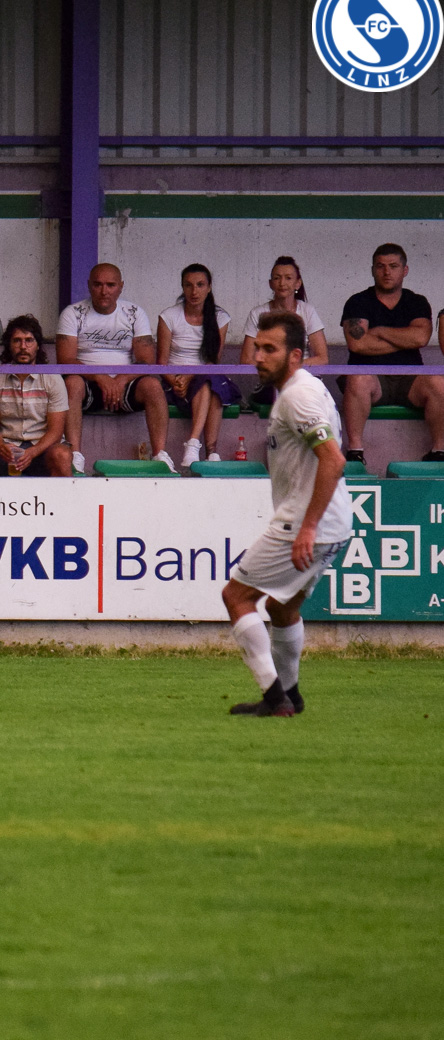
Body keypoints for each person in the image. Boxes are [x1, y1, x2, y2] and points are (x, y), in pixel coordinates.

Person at [220, 311, 352, 717]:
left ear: (295, 355)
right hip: (335, 524)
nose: (258, 357)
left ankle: (275, 698)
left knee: (236, 596)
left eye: (269, 349)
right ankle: (291, 695)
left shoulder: (298, 396)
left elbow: (333, 460)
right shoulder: (302, 388)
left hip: (307, 522)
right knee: (281, 609)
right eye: (257, 347)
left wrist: (307, 527)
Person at [57, 262, 173, 474]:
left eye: (110, 285)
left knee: (153, 386)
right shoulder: (72, 313)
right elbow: (65, 360)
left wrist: (120, 380)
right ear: (89, 285)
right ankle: (75, 455)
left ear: (121, 287)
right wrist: (101, 377)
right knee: (71, 383)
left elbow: (147, 361)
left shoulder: (135, 313)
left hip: (125, 385)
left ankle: (160, 456)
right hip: (87, 384)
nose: (104, 291)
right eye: (98, 285)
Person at [337, 243, 444, 462]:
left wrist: (379, 331)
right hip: (371, 378)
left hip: (410, 379)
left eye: (393, 266)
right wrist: (404, 339)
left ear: (405, 270)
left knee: (438, 382)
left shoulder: (416, 301)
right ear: (372, 270)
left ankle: (439, 451)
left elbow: (420, 338)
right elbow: (358, 345)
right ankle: (355, 452)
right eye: (381, 266)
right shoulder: (358, 301)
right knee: (357, 379)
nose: (387, 272)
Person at [0, 315, 71, 477]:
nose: (23, 347)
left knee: (62, 455)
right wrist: (0, 446)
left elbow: (56, 431)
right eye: (17, 341)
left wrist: (33, 452)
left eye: (29, 340)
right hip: (6, 451)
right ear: (9, 345)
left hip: (41, 451)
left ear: (38, 345)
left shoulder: (53, 379)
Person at [157, 264, 237, 468]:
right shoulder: (168, 316)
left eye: (200, 285)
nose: (194, 291)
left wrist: (191, 376)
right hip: (174, 381)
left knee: (209, 381)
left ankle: (196, 445)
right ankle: (209, 451)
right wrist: (176, 382)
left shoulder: (220, 317)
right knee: (210, 383)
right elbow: (162, 363)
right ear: (182, 287)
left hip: (204, 376)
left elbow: (213, 361)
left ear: (209, 288)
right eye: (189, 285)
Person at [239, 257, 329, 409]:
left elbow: (322, 358)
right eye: (277, 278)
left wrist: (290, 368)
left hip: (305, 377)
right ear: (270, 283)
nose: (282, 283)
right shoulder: (258, 313)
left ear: (297, 283)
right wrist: (277, 368)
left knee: (303, 391)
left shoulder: (307, 311)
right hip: (272, 380)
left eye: (288, 278)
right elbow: (246, 359)